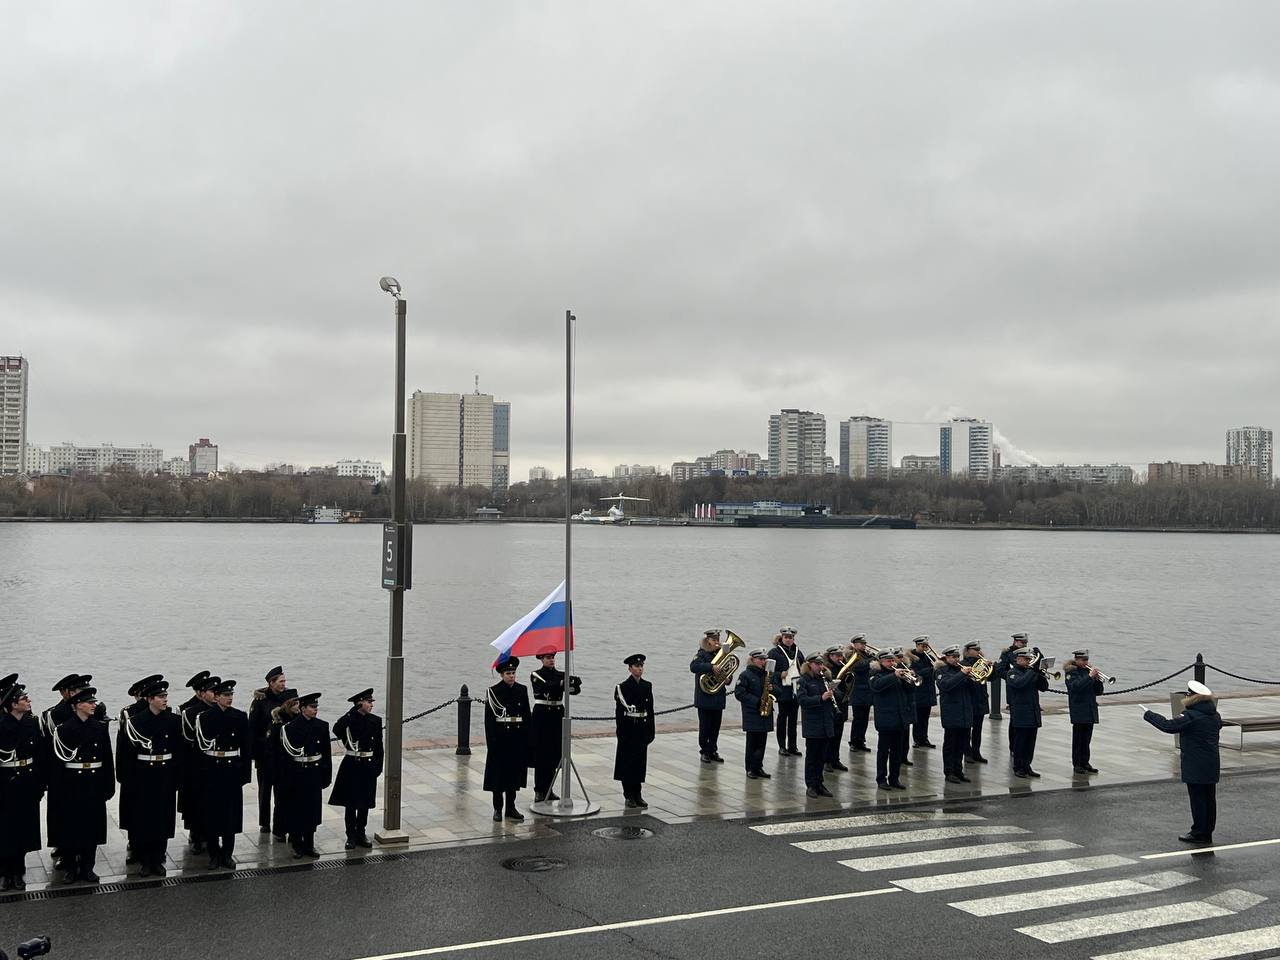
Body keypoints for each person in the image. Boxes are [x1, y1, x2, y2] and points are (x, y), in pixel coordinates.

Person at [116, 679, 183, 877]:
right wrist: (128, 780)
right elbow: (125, 754)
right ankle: (145, 861)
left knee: (163, 818)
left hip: (165, 774)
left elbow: (179, 752)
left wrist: (178, 778)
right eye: (161, 697)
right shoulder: (135, 723)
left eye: (166, 696)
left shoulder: (173, 721)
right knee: (144, 820)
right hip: (143, 776)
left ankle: (158, 858)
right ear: (150, 699)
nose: (165, 700)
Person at [48, 687, 114, 884]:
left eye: (94, 702)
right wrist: (57, 790)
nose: (94, 705)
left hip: (93, 783)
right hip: (71, 785)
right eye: (89, 702)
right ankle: (70, 867)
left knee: (91, 827)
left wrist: (108, 785)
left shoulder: (100, 728)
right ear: (77, 705)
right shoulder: (63, 730)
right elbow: (57, 765)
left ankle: (87, 867)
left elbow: (107, 761)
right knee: (70, 827)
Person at [1142, 680, 1222, 844]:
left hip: (1195, 763)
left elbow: (1168, 726)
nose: (1186, 696)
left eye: (1188, 694)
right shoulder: (1215, 715)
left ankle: (1198, 832)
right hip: (1211, 762)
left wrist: (1149, 714)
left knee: (1198, 799)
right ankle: (1207, 832)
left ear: (1193, 697)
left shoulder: (1191, 716)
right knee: (1209, 798)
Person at [194, 679, 251, 869]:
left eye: (231, 695)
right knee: (212, 815)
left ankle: (227, 853)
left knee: (231, 815)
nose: (230, 698)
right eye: (226, 695)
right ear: (216, 697)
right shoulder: (205, 718)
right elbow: (199, 751)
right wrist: (201, 776)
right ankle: (213, 854)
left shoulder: (240, 717)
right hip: (212, 770)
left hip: (231, 769)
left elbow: (246, 748)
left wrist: (244, 774)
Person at [0, 681, 44, 891]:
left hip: (27, 781)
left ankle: (18, 871)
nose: (29, 701)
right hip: (5, 782)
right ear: (12, 704)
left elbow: (40, 756)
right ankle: (5, 873)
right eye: (24, 699)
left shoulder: (32, 723)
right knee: (5, 829)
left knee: (22, 829)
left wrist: (40, 785)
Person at [116, 673, 163, 866]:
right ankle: (134, 846)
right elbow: (123, 746)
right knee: (133, 812)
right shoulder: (129, 714)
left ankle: (154, 850)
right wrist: (123, 776)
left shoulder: (164, 714)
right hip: (135, 769)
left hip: (155, 770)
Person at [279, 692, 332, 858]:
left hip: (314, 772)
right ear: (302, 709)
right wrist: (286, 780)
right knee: (297, 810)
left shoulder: (322, 726)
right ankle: (297, 844)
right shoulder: (290, 728)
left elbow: (326, 754)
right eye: (312, 707)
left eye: (316, 707)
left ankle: (309, 844)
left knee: (312, 810)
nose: (315, 710)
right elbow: (285, 757)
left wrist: (326, 775)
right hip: (297, 773)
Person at [329, 688, 383, 849]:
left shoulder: (375, 721)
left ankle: (361, 832)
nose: (371, 705)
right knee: (351, 803)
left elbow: (379, 747)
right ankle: (350, 835)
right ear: (360, 703)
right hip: (352, 764)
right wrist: (352, 711)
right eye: (368, 702)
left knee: (365, 802)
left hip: (368, 764)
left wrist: (378, 766)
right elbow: (337, 729)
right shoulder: (350, 719)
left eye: (371, 702)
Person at [529, 648, 580, 801]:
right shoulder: (536, 674)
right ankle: (539, 790)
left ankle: (549, 788)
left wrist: (574, 684)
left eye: (552, 657)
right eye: (547, 658)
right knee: (541, 754)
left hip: (557, 714)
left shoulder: (560, 675)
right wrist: (562, 683)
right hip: (542, 714)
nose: (551, 660)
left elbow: (572, 691)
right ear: (541, 659)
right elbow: (545, 687)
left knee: (554, 753)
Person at [483, 657, 531, 823]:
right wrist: (492, 744)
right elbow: (489, 721)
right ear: (502, 675)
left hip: (516, 739)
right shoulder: (493, 692)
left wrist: (527, 740)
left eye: (513, 673)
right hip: (501, 739)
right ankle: (498, 809)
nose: (511, 676)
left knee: (513, 776)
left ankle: (511, 807)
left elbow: (526, 716)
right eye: (508, 673)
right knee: (498, 778)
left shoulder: (522, 690)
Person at [179, 673, 219, 853]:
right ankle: (197, 835)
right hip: (195, 764)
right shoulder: (188, 711)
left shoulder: (218, 710)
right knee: (195, 803)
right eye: (212, 691)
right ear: (201, 693)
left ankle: (210, 834)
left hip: (213, 763)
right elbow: (187, 741)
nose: (216, 694)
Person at [250, 665, 290, 837]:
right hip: (265, 754)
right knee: (265, 791)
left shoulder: (287, 699)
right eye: (280, 682)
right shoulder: (260, 702)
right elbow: (252, 728)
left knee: (282, 791)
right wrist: (257, 752)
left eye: (284, 681)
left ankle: (280, 822)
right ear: (271, 683)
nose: (283, 684)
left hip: (283, 753)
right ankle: (264, 822)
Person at [613, 654, 655, 808]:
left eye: (641, 666)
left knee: (639, 763)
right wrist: (621, 733)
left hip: (642, 728)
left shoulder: (647, 685)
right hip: (629, 729)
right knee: (627, 763)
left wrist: (651, 730)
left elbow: (650, 710)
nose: (639, 669)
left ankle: (638, 794)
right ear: (630, 669)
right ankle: (628, 795)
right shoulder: (622, 687)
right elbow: (619, 713)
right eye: (636, 666)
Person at [869, 648, 912, 790]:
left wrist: (909, 678)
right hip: (885, 719)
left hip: (899, 719)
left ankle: (894, 778)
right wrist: (894, 675)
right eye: (888, 660)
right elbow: (877, 686)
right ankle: (881, 779)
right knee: (883, 751)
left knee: (897, 752)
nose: (892, 662)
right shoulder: (876, 674)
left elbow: (910, 691)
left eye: (893, 660)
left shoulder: (898, 674)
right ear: (880, 661)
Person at [1006, 647, 1048, 778]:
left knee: (1030, 742)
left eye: (1030, 659)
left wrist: (1040, 674)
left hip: (1032, 712)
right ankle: (1018, 767)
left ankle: (1027, 765)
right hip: (1021, 713)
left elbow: (1044, 688)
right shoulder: (1012, 673)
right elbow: (1020, 684)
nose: (1029, 662)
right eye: (1026, 659)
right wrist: (1031, 671)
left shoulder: (1031, 672)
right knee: (1020, 742)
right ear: (1018, 659)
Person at [797, 654, 835, 798]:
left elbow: (836, 696)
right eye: (817, 664)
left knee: (822, 756)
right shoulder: (804, 681)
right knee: (812, 756)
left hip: (826, 722)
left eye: (821, 664)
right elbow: (802, 700)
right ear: (810, 665)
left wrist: (834, 692)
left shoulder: (825, 679)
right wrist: (820, 698)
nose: (820, 667)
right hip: (813, 723)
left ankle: (820, 783)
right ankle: (811, 785)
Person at [935, 646, 974, 784]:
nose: (957, 659)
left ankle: (958, 771)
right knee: (950, 745)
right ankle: (949, 772)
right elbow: (946, 685)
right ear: (946, 657)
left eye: (958, 657)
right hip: (951, 713)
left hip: (965, 712)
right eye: (953, 657)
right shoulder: (941, 671)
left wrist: (971, 678)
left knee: (962, 744)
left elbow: (973, 690)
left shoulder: (961, 670)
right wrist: (962, 674)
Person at [734, 648, 774, 780]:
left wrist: (773, 689)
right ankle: (750, 768)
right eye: (760, 659)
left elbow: (778, 691)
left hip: (765, 713)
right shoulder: (745, 675)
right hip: (752, 713)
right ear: (753, 660)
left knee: (762, 742)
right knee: (752, 743)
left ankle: (758, 766)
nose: (763, 662)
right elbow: (739, 693)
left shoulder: (767, 675)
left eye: (764, 659)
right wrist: (757, 702)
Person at [689, 629, 728, 763]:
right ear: (708, 641)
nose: (717, 642)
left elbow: (727, 671)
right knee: (705, 726)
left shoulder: (722, 655)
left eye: (718, 639)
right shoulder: (701, 654)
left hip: (718, 697)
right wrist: (711, 667)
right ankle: (704, 751)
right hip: (704, 697)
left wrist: (727, 678)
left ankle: (713, 750)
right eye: (714, 640)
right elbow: (694, 667)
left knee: (715, 727)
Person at [266, 689, 300, 842]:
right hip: (281, 768)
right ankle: (280, 830)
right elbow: (270, 750)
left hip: (296, 768)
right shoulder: (276, 724)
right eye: (295, 703)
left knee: (295, 801)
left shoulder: (299, 721)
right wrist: (272, 773)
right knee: (281, 801)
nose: (298, 706)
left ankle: (294, 829)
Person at [1065, 649, 1104, 774]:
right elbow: (1076, 687)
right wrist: (1089, 677)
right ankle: (1077, 764)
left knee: (1087, 739)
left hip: (1090, 708)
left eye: (1086, 659)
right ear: (1076, 660)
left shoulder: (1088, 672)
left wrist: (1097, 680)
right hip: (1078, 709)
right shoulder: (1071, 673)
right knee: (1078, 739)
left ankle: (1085, 762)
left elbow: (1098, 692)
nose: (1085, 662)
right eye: (1083, 660)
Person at [769, 627, 803, 757]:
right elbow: (768, 672)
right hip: (783, 690)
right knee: (783, 717)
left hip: (795, 689)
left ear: (794, 639)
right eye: (786, 637)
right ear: (782, 638)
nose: (788, 640)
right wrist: (779, 675)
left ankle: (792, 746)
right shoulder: (774, 653)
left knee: (793, 719)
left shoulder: (798, 652)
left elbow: (804, 668)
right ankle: (782, 746)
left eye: (790, 637)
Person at [996, 632, 1031, 749]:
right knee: (1014, 720)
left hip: (1027, 689)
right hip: (1013, 688)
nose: (1025, 644)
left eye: (1026, 642)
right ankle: (1013, 746)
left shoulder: (1028, 654)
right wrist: (1013, 676)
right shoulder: (1007, 653)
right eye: (1023, 642)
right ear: (1015, 641)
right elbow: (1000, 671)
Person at [822, 646, 850, 773]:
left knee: (839, 733)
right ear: (830, 656)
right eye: (836, 656)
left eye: (841, 655)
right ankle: (827, 760)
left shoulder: (844, 667)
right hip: (831, 705)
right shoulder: (826, 669)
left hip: (842, 703)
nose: (840, 658)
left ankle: (835, 759)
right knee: (830, 734)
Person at [961, 643, 990, 763]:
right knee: (967, 729)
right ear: (968, 650)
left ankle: (976, 752)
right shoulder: (963, 664)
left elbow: (992, 677)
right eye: (975, 649)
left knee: (978, 729)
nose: (978, 651)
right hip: (969, 700)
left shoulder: (982, 662)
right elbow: (968, 678)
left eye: (979, 649)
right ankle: (967, 753)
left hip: (981, 699)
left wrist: (992, 667)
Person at [845, 635, 873, 753]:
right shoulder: (852, 655)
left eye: (864, 643)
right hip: (857, 691)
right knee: (858, 718)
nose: (863, 646)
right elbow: (858, 667)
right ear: (854, 644)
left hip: (867, 690)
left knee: (864, 718)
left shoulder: (866, 655)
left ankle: (861, 741)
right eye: (861, 644)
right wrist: (873, 660)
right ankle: (853, 742)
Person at [909, 637, 937, 749]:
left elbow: (937, 671)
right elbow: (915, 673)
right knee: (917, 718)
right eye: (922, 646)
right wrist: (931, 669)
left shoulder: (929, 657)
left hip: (929, 691)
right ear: (917, 645)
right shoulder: (912, 659)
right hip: (918, 691)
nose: (925, 648)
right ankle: (916, 739)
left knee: (925, 718)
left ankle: (924, 738)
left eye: (926, 646)